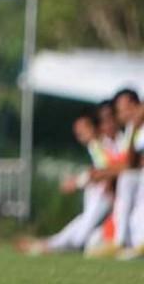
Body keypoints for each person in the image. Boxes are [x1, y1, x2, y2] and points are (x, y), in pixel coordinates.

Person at [17, 109, 113, 255]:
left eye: (83, 129)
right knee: (82, 226)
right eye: (77, 131)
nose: (79, 134)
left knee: (82, 238)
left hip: (107, 197)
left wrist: (78, 182)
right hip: (99, 196)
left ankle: (48, 246)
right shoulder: (95, 146)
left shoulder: (102, 145)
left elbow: (106, 170)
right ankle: (48, 244)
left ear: (95, 126)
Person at [88, 88, 144, 259]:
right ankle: (124, 243)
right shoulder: (131, 130)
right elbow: (131, 162)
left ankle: (127, 243)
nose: (121, 114)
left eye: (123, 109)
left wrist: (105, 173)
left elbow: (132, 163)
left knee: (130, 178)